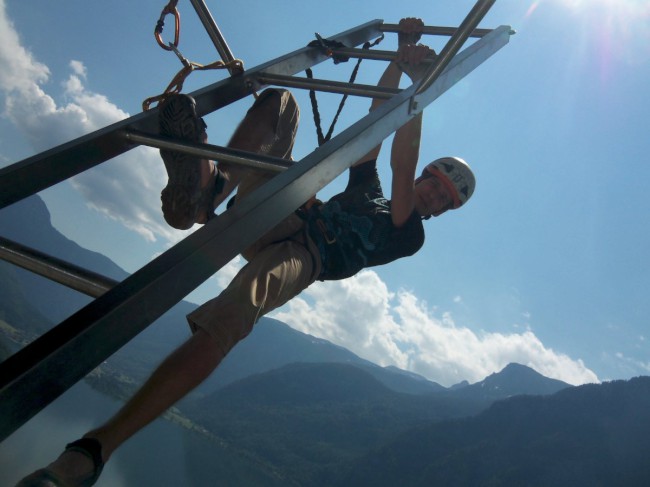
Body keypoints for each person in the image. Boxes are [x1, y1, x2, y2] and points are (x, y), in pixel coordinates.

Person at [16, 18, 475, 487]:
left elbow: (402, 164)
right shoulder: (369, 190)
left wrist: (421, 88)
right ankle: (209, 192)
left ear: (441, 213)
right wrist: (400, 58)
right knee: (281, 103)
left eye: (444, 200)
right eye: (436, 185)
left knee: (235, 314)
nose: (434, 196)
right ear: (428, 179)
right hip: (288, 210)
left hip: (306, 257)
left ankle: (92, 451)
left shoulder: (410, 234)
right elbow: (378, 123)